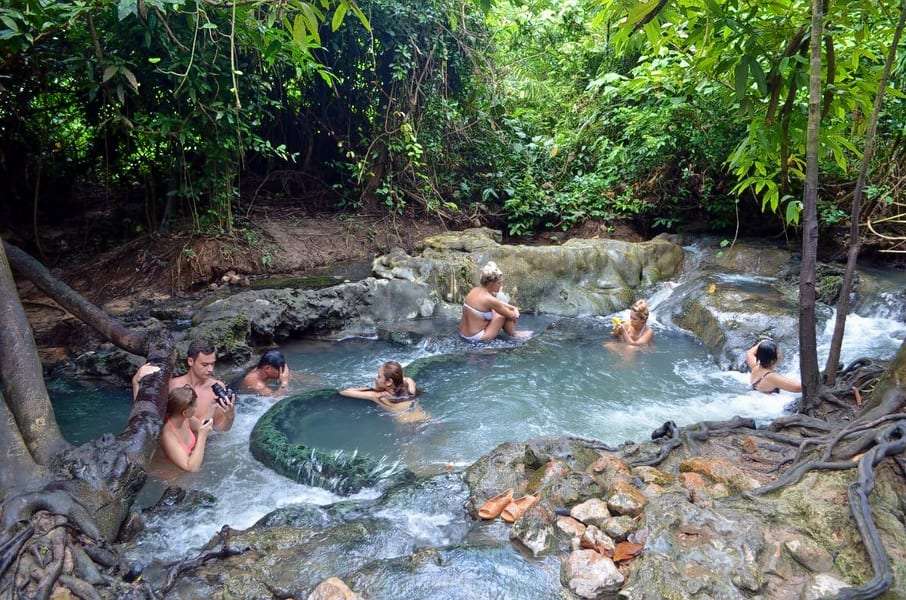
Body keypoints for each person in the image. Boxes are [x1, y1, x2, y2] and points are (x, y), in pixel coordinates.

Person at [168, 339, 236, 432]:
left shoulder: (217, 388)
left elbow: (221, 429)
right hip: (181, 442)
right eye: (205, 365)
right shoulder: (174, 386)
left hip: (209, 442)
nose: (210, 369)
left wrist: (230, 417)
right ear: (190, 361)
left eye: (212, 364)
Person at [458, 261, 530, 342]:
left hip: (462, 333)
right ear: (491, 283)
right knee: (502, 315)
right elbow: (512, 316)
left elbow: (496, 302)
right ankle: (514, 335)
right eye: (499, 283)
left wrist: (512, 306)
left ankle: (513, 333)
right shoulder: (489, 299)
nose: (501, 285)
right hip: (477, 337)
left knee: (498, 310)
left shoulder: (475, 290)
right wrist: (515, 311)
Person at [339, 361, 428, 422]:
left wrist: (375, 388)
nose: (375, 378)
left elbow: (343, 391)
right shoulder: (410, 386)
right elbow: (406, 379)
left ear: (389, 382)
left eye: (378, 376)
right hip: (426, 419)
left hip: (408, 428)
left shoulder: (378, 396)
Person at [159, 385, 212, 472]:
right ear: (185, 412)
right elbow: (192, 468)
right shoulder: (167, 435)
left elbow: (204, 427)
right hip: (173, 478)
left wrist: (213, 407)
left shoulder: (185, 419)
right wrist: (202, 436)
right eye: (195, 406)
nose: (196, 408)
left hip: (188, 468)